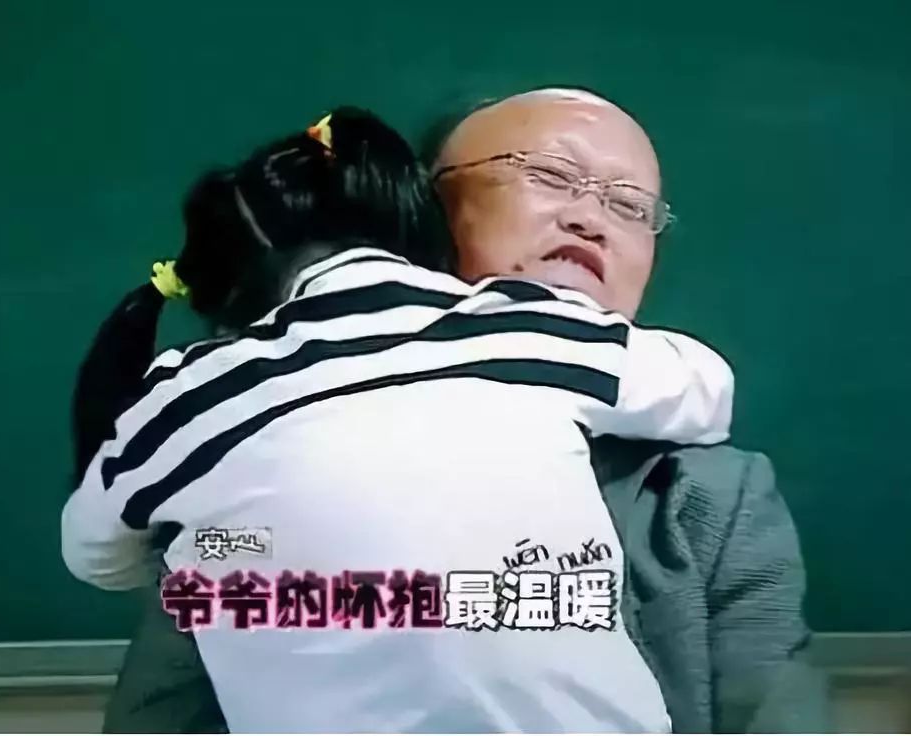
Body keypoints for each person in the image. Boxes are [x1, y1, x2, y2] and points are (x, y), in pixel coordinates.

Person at [95, 87, 830, 733]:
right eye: (550, 176)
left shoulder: (708, 495)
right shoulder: (242, 469)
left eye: (630, 206)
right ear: (423, 216)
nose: (591, 219)